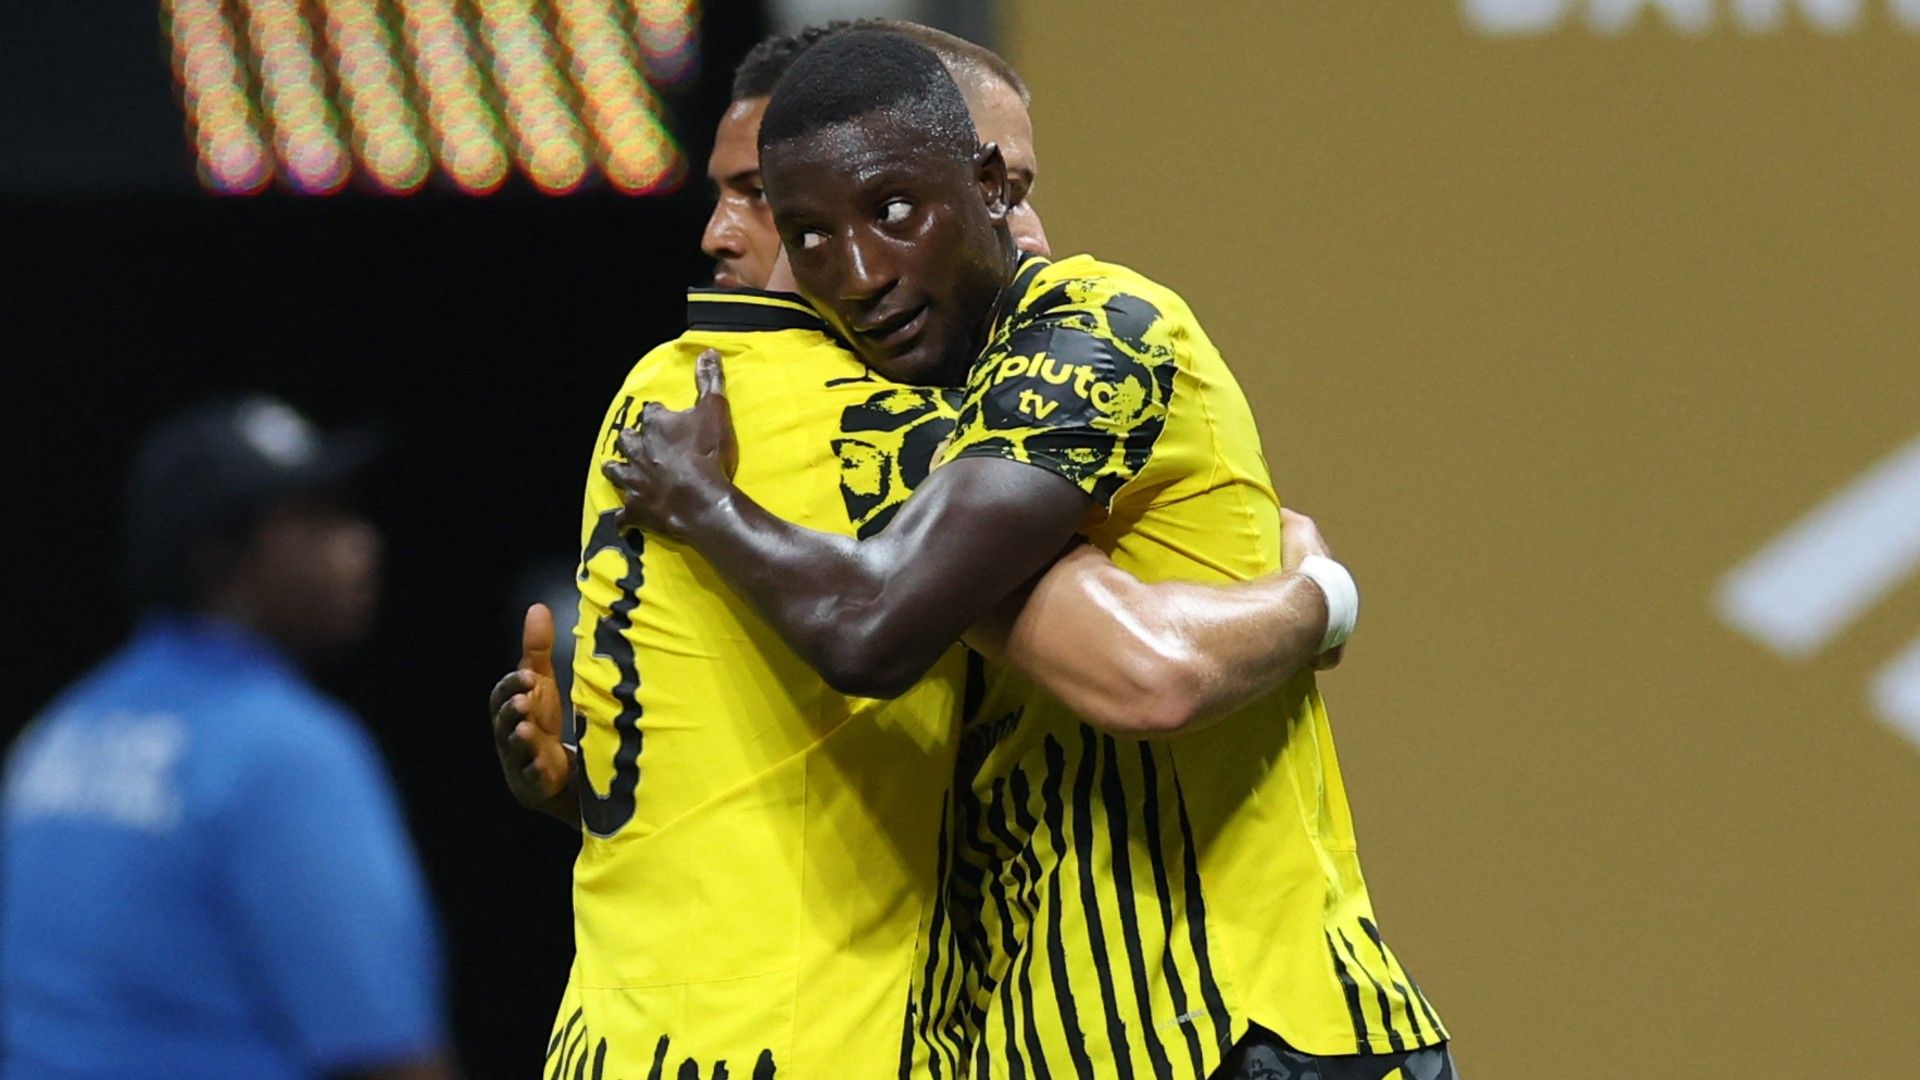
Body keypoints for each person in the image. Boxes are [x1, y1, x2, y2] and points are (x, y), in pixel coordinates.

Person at [493, 25, 1359, 1080]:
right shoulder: (843, 420)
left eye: (893, 204)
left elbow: (1138, 673)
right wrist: (1320, 594)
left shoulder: (683, 402)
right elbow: (1135, 669)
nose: (723, 236)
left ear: (983, 181)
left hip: (1228, 1034)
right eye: (772, 206)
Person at [0, 397, 454, 1080]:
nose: (361, 542)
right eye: (315, 520)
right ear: (217, 558)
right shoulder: (287, 753)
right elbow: (389, 1060)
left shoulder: (59, 735)